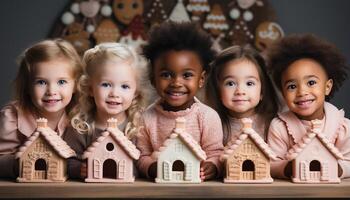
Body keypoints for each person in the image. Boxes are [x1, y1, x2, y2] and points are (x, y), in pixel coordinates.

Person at [137, 21, 224, 181]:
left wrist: (212, 166)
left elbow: (216, 153)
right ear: (153, 79)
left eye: (187, 75)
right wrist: (151, 167)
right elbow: (141, 155)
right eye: (166, 74)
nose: (176, 83)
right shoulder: (146, 118)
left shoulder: (208, 117)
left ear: (201, 79)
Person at [267, 33, 350, 179]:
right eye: (292, 86)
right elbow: (271, 164)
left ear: (327, 87)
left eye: (311, 83)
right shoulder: (279, 127)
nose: (302, 92)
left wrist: (338, 169)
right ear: (283, 93)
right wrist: (288, 168)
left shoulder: (343, 126)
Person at [0, 39, 82, 178]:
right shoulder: (13, 117)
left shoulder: (79, 117)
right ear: (27, 86)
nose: (51, 91)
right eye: (41, 82)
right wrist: (18, 164)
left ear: (75, 85)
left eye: (61, 82)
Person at [65, 43, 149, 179]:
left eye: (125, 86)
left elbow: (143, 161)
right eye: (106, 84)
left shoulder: (138, 125)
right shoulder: (81, 126)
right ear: (91, 89)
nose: (114, 93)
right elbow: (68, 159)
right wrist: (79, 169)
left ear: (135, 92)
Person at [206, 45, 279, 145]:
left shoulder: (273, 125)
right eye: (230, 83)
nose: (240, 91)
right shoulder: (212, 124)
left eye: (249, 83)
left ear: (262, 91)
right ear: (218, 91)